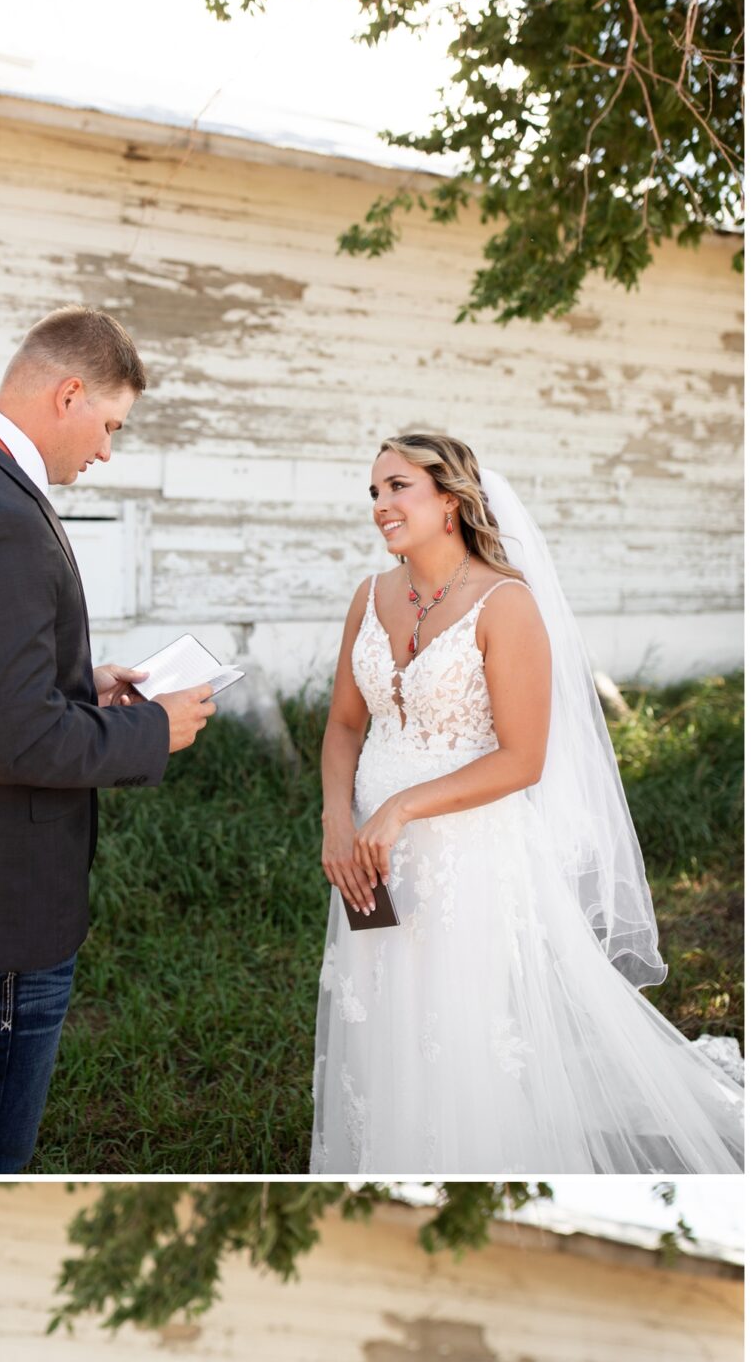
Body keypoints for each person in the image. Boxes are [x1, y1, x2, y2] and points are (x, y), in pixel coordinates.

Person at [311, 430, 742, 1172]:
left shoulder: (505, 604)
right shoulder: (370, 595)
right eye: (374, 491)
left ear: (449, 501)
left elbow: (522, 758)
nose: (381, 505)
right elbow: (347, 723)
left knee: (462, 1024)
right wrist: (335, 818)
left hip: (468, 851)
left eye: (398, 487)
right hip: (368, 853)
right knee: (382, 1013)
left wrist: (403, 807)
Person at [0, 307, 215, 1173]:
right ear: (68, 394)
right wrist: (150, 730)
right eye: (110, 426)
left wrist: (79, 682)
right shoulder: (0, 518)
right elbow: (16, 742)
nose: (105, 453)